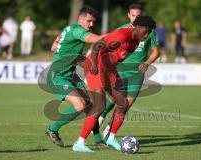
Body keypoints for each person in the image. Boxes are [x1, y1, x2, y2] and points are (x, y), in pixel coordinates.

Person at [72, 15, 157, 152]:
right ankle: (79, 143)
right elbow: (97, 46)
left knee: (122, 103)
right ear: (139, 28)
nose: (147, 35)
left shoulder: (134, 43)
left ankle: (111, 137)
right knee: (100, 105)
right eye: (146, 32)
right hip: (96, 65)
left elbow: (116, 57)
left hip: (109, 69)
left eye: (149, 33)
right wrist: (93, 63)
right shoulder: (121, 35)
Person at [95, 4, 159, 141]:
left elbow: (156, 52)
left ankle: (109, 131)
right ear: (129, 15)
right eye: (134, 15)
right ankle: (101, 117)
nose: (136, 17)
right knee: (113, 99)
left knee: (126, 105)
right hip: (121, 69)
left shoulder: (149, 31)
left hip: (137, 72)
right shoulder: (121, 30)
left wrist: (146, 63)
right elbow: (106, 46)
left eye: (139, 15)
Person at [45, 6, 103, 148]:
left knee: (91, 107)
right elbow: (93, 39)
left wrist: (71, 54)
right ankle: (52, 129)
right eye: (89, 21)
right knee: (80, 105)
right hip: (57, 76)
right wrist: (114, 36)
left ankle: (98, 140)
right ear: (80, 19)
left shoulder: (69, 29)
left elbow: (53, 47)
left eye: (93, 22)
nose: (91, 25)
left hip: (70, 75)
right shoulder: (78, 30)